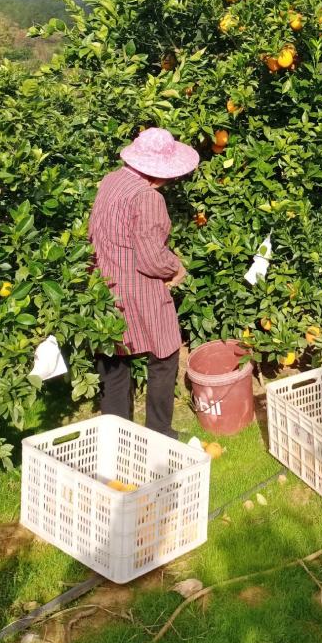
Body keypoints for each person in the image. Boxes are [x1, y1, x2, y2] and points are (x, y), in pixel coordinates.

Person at [88, 127, 200, 436]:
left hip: (104, 286)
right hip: (139, 288)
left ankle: (117, 437)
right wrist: (176, 267)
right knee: (164, 354)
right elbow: (152, 257)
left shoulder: (111, 181)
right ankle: (159, 432)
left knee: (115, 360)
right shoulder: (147, 197)